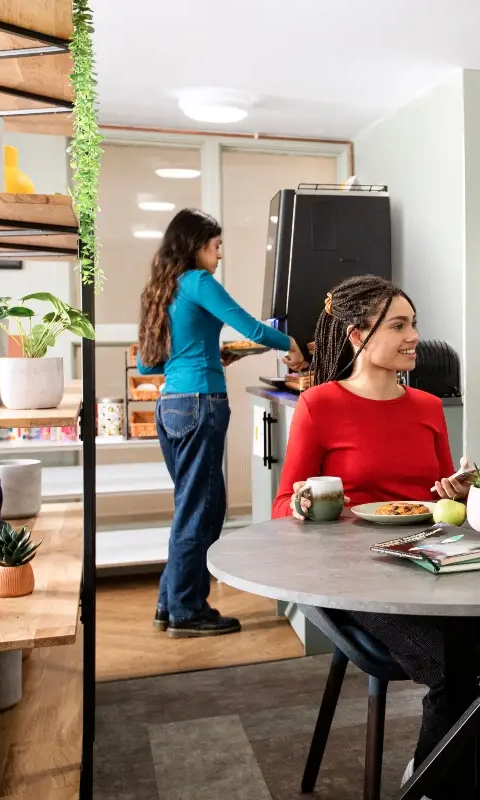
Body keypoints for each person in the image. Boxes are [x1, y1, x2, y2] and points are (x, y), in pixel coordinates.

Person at [273, 275, 480, 800]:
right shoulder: (319, 406)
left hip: (433, 561)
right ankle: (435, 777)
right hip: (359, 578)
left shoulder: (426, 406)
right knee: (456, 664)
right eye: (399, 325)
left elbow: (443, 508)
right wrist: (311, 504)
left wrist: (456, 491)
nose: (414, 335)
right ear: (357, 337)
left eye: (414, 323)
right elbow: (285, 505)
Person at [137, 208, 306, 638]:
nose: (220, 256)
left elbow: (147, 362)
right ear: (197, 247)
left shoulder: (162, 289)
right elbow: (249, 325)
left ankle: (168, 602)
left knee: (190, 507)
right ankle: (187, 612)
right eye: (216, 247)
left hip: (170, 405)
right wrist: (292, 345)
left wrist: (217, 354)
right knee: (202, 511)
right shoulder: (198, 281)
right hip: (200, 405)